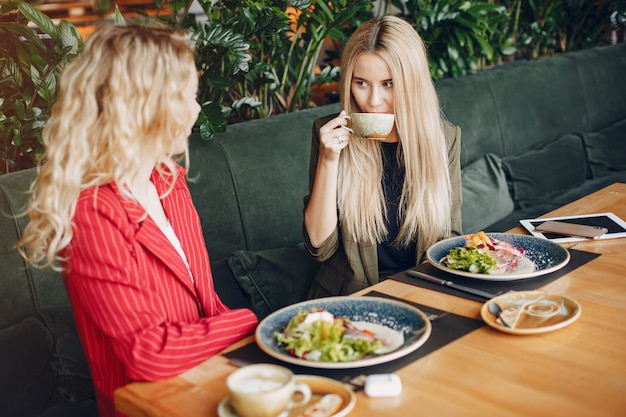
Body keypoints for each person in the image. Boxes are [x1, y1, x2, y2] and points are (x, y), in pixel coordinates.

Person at [17, 24, 258, 417]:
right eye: (187, 97)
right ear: (145, 106)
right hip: (156, 406)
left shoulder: (169, 181)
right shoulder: (92, 211)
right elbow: (149, 356)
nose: (197, 110)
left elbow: (207, 306)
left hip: (215, 383)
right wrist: (252, 322)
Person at [303, 16, 463, 297]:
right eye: (361, 83)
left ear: (412, 84)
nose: (373, 101)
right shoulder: (330, 136)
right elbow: (319, 246)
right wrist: (329, 160)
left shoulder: (444, 139)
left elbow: (448, 239)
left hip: (421, 291)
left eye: (388, 84)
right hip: (350, 297)